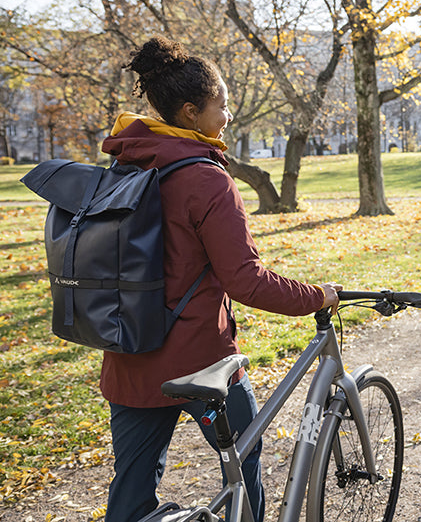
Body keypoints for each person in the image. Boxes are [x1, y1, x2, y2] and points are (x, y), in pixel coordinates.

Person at [100, 36, 341, 522]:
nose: (228, 116)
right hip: (201, 362)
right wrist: (318, 295)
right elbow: (246, 281)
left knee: (130, 493)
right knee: (244, 466)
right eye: (222, 106)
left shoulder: (123, 165)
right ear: (190, 112)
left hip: (128, 353)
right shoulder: (207, 179)